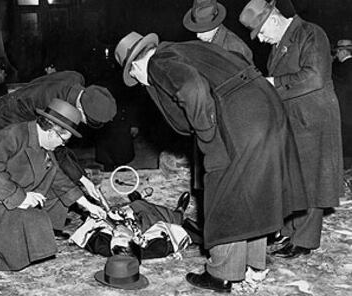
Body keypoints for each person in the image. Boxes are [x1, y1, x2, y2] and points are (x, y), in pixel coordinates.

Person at [114, 31, 306, 293]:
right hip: (265, 105)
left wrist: (208, 137)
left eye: (134, 77)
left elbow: (191, 89)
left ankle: (223, 273)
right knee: (254, 189)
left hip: (240, 118)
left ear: (135, 65)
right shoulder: (186, 49)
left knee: (225, 194)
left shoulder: (157, 62)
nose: (138, 82)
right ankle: (254, 266)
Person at [0, 99, 106, 271]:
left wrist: (89, 206)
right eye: (63, 139)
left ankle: (35, 234)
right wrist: (20, 198)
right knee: (26, 221)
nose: (63, 144)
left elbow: (59, 180)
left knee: (51, 198)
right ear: (51, 130)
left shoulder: (44, 145)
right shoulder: (13, 135)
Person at [240, 0, 343, 259]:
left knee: (310, 178)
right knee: (293, 176)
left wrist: (274, 82)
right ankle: (291, 232)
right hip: (293, 118)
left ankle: (305, 241)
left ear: (274, 19)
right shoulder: (280, 42)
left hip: (312, 118)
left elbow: (315, 76)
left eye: (262, 32)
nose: (261, 40)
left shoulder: (311, 33)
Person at [0, 70, 117, 223]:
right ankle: (3, 211)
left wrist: (83, 180)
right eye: (84, 120)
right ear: (80, 108)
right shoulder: (56, 104)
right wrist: (82, 181)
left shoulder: (76, 80)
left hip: (26, 105)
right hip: (10, 114)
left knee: (44, 164)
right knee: (12, 167)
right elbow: (57, 151)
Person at [183, 0, 254, 190]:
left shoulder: (235, 48)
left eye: (202, 29)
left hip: (228, 125)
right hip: (209, 120)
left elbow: (245, 95)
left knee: (227, 182)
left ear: (215, 24)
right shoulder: (206, 43)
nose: (197, 34)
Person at [70, 192, 201, 259]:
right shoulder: (156, 246)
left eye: (115, 236)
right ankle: (180, 210)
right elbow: (177, 235)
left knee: (120, 211)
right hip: (142, 227)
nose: (116, 231)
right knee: (160, 217)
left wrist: (95, 217)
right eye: (121, 235)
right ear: (136, 240)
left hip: (128, 222)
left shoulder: (107, 245)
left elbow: (89, 232)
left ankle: (138, 199)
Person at [183, 0, 253, 63]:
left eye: (203, 31)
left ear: (214, 26)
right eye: (197, 31)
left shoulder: (235, 48)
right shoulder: (207, 43)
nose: (198, 35)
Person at [332, 39, 352, 166]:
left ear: (343, 51)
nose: (336, 54)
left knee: (345, 145)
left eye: (338, 51)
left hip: (344, 112)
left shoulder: (343, 68)